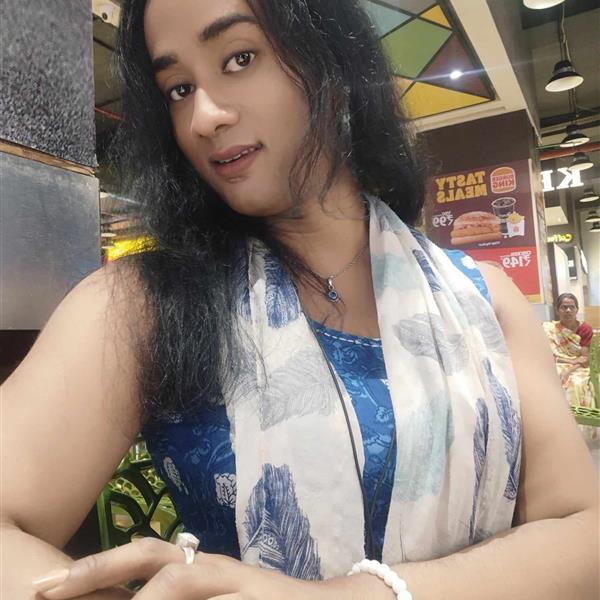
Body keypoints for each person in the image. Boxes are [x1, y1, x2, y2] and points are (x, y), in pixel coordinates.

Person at [1, 1, 597, 599]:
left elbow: (584, 532)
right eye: (179, 88)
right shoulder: (143, 307)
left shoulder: (485, 303)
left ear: (330, 60)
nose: (203, 117)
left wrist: (354, 595)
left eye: (239, 58)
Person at [544, 293, 596, 441]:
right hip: (558, 363)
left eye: (571, 307)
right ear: (557, 310)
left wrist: (569, 370)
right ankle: (553, 426)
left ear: (577, 309)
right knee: (550, 378)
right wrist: (566, 362)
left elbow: (584, 360)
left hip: (580, 368)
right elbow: (549, 356)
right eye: (564, 307)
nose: (568, 310)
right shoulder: (550, 329)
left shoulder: (585, 329)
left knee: (577, 383)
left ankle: (576, 429)